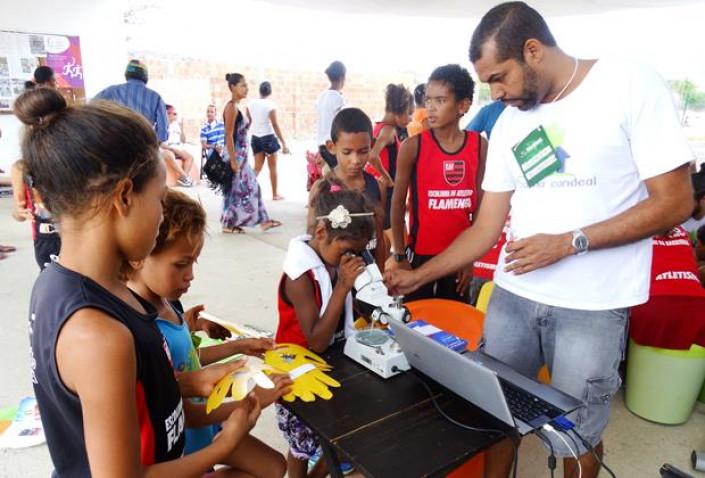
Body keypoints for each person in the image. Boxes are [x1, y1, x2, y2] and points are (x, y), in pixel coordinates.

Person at [385, 3, 694, 477]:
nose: (496, 92)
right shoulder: (510, 122)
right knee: (494, 419)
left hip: (592, 309)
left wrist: (571, 242)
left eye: (500, 77)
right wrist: (417, 275)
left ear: (533, 50)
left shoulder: (629, 85)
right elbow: (487, 227)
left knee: (576, 436)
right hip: (514, 299)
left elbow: (675, 202)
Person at [19, 86, 260, 476]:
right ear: (125, 197)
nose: (162, 216)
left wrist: (191, 383)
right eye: (159, 199)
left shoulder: (60, 281)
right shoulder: (98, 334)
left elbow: (140, 392)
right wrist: (226, 444)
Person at [126, 189, 290, 476]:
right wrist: (251, 402)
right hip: (185, 440)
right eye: (181, 264)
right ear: (141, 255)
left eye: (193, 262)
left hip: (207, 421)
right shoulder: (142, 326)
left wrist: (237, 346)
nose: (190, 275)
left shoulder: (166, 302)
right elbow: (176, 400)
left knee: (275, 466)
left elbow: (187, 361)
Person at [276, 181, 372, 478]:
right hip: (296, 375)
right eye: (347, 251)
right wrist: (343, 285)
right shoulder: (299, 276)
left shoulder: (330, 256)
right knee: (300, 447)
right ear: (321, 234)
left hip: (328, 365)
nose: (351, 259)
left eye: (357, 252)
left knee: (337, 436)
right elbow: (316, 340)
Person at [388, 64, 485, 303]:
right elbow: (398, 202)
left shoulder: (478, 145)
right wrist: (400, 255)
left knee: (452, 328)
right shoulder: (413, 147)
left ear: (463, 106)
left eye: (440, 101)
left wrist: (469, 257)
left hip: (458, 257)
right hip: (419, 256)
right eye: (428, 100)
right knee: (416, 322)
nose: (430, 108)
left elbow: (481, 205)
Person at [95, 59, 192, 187]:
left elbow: (91, 108)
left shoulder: (111, 91)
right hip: (144, 151)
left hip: (117, 148)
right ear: (145, 77)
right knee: (141, 187)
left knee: (118, 186)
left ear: (127, 74)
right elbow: (162, 134)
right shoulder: (155, 97)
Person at [311, 108, 387, 269]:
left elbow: (380, 238)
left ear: (372, 145)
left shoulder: (377, 187)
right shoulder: (321, 189)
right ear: (332, 147)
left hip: (369, 275)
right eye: (347, 152)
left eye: (363, 151)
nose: (355, 160)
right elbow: (313, 240)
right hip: (336, 279)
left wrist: (380, 278)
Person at [221, 73, 282, 233]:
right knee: (241, 189)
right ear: (233, 87)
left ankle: (263, 221)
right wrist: (233, 160)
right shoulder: (231, 108)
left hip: (241, 156)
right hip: (236, 157)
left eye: (247, 85)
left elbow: (240, 130)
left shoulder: (237, 107)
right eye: (243, 85)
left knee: (249, 188)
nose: (246, 88)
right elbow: (228, 135)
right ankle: (229, 224)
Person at [366, 84, 414, 241]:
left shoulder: (378, 127)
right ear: (397, 111)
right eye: (409, 113)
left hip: (382, 191)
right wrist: (387, 179)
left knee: (390, 235)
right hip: (387, 192)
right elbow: (372, 156)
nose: (411, 118)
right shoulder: (389, 130)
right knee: (396, 238)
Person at [247, 81, 291, 200]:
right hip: (269, 138)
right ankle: (275, 194)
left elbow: (249, 121)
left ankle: (246, 190)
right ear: (269, 91)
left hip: (255, 138)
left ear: (260, 90)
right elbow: (275, 125)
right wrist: (283, 143)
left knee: (257, 167)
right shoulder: (271, 105)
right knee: (272, 167)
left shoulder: (250, 104)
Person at [315, 61, 346, 169]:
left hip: (321, 146)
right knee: (338, 179)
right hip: (332, 146)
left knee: (329, 178)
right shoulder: (338, 98)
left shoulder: (321, 97)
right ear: (342, 77)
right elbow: (341, 124)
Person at [163, 104, 194, 187]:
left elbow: (181, 141)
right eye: (174, 113)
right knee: (168, 155)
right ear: (167, 113)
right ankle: (185, 177)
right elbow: (159, 142)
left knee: (189, 156)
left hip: (176, 147)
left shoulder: (176, 125)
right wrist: (172, 149)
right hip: (166, 148)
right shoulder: (161, 125)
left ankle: (183, 178)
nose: (175, 116)